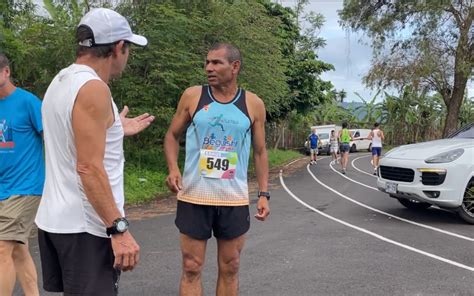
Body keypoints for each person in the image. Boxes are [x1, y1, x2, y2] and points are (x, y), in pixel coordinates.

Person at [34, 8, 154, 295]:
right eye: (128, 48)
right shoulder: (93, 89)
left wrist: (113, 128)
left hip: (57, 220)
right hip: (86, 227)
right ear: (118, 47)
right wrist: (118, 229)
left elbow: (70, 136)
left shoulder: (61, 80)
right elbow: (88, 167)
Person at [164, 43, 270, 296]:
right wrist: (172, 168)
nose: (208, 68)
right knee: (191, 267)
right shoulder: (193, 96)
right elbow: (171, 136)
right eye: (207, 62)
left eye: (216, 63)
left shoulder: (253, 104)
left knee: (231, 267)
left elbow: (260, 151)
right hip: (194, 196)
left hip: (232, 200)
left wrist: (264, 194)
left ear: (234, 67)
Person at [0, 53, 43, 296]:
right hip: (2, 187)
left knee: (2, 247)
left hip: (25, 186)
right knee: (18, 248)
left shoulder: (29, 103)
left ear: (6, 72)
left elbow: (54, 139)